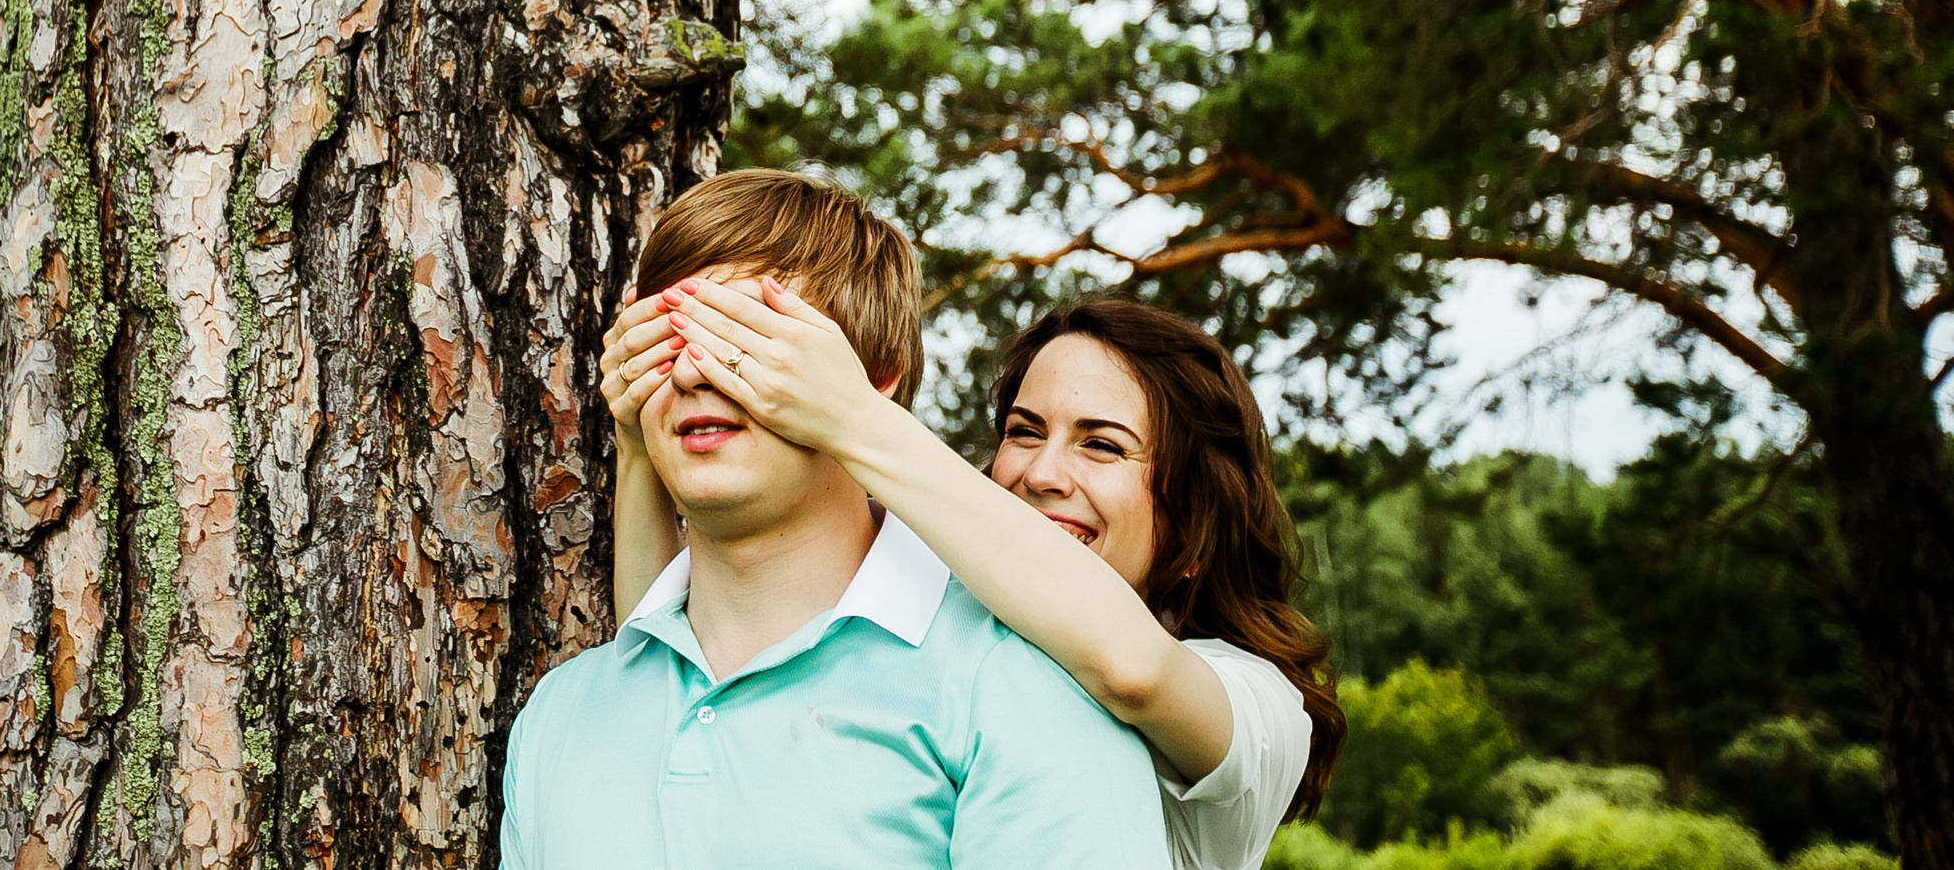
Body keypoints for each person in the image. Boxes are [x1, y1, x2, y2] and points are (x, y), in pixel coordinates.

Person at [500, 170, 1173, 870]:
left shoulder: (1020, 686)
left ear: (874, 378)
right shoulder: (559, 716)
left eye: (747, 339)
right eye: (671, 338)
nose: (695, 373)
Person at [602, 274, 1345, 870]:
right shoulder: (953, 628)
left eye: (1102, 445)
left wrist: (851, 415)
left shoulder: (1262, 708)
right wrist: (638, 446)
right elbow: (672, 646)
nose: (1041, 473)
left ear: (1194, 521)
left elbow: (1133, 669)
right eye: (1024, 432)